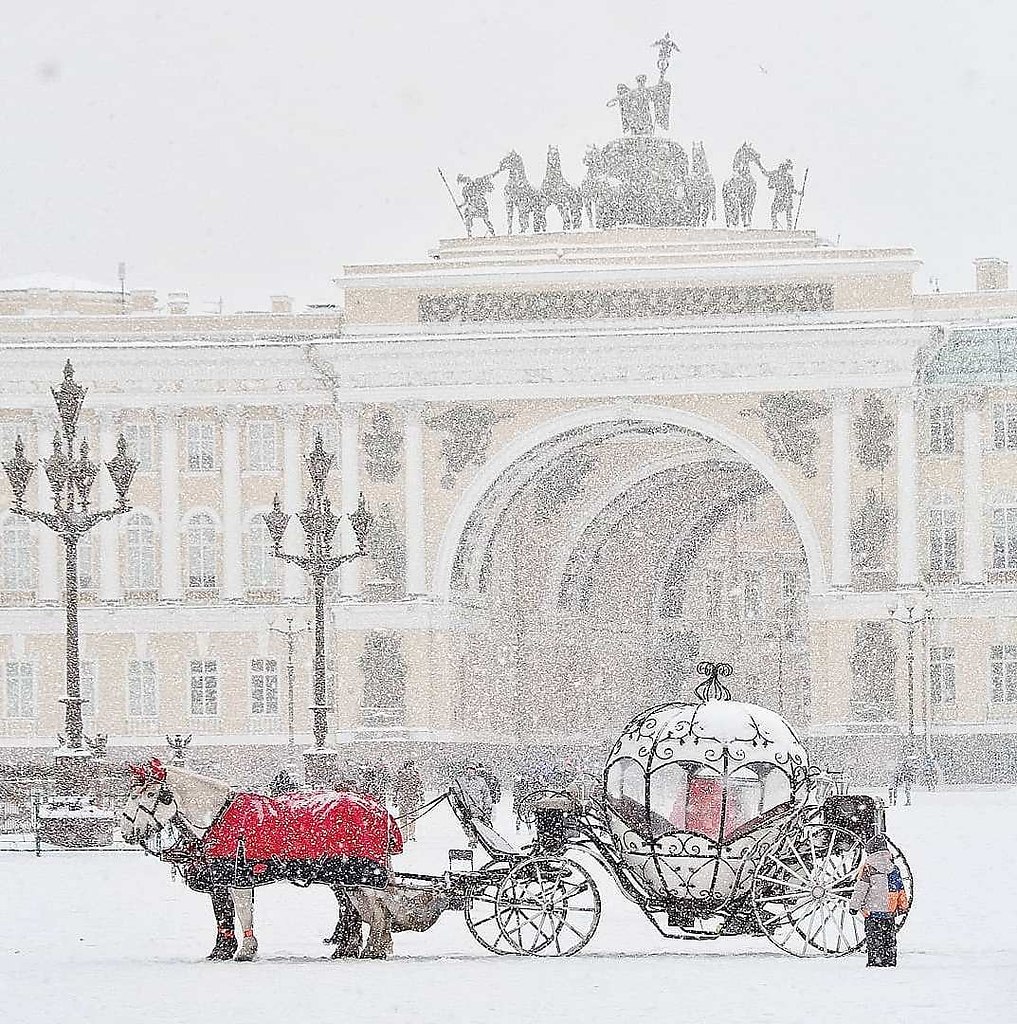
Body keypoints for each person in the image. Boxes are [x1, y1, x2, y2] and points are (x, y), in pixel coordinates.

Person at [849, 835, 907, 966]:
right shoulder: (894, 869)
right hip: (889, 911)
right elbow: (900, 889)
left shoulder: (868, 868)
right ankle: (890, 960)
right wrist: (902, 906)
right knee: (889, 938)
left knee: (874, 938)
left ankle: (875, 961)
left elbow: (861, 889)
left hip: (873, 912)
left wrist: (854, 906)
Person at [455, 763, 493, 849]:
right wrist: (458, 806)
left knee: (479, 825)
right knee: (466, 825)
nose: (470, 771)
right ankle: (471, 838)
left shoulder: (480, 781)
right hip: (465, 809)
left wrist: (487, 807)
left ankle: (478, 840)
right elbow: (456, 795)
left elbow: (486, 795)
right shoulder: (460, 782)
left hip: (478, 809)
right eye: (468, 769)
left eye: (472, 769)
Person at [393, 760, 424, 841]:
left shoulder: (400, 775)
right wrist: (422, 798)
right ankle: (411, 835)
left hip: (403, 799)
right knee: (412, 818)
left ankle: (404, 835)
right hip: (412, 799)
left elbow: (396, 788)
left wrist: (395, 799)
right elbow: (420, 788)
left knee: (403, 818)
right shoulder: (415, 775)